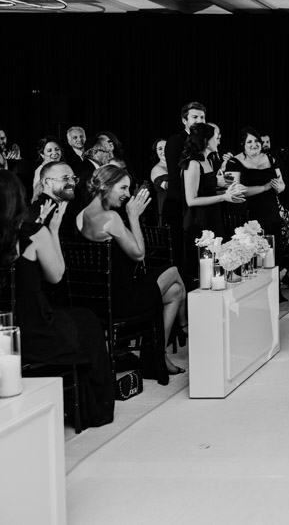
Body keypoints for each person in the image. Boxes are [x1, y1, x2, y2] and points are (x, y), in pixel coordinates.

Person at [0, 170, 115, 429]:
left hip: (5, 336)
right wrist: (51, 230)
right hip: (35, 332)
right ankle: (94, 408)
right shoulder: (33, 233)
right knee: (87, 321)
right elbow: (56, 276)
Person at [77, 165, 188, 380]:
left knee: (174, 291)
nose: (128, 195)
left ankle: (161, 354)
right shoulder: (111, 217)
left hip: (98, 299)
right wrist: (133, 216)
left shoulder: (81, 215)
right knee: (173, 272)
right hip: (121, 300)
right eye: (123, 188)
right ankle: (183, 329)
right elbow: (139, 255)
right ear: (106, 186)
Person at [224, 127, 289, 289]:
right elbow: (233, 190)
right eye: (249, 142)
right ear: (242, 144)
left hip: (271, 212)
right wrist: (264, 187)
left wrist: (279, 188)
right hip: (247, 214)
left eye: (256, 141)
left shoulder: (271, 159)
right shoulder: (233, 162)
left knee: (274, 253)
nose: (254, 144)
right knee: (255, 254)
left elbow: (281, 184)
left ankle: (274, 291)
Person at [181, 124, 244, 279]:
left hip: (213, 217)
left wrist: (230, 192)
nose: (219, 142)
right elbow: (191, 200)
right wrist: (223, 197)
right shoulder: (192, 164)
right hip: (199, 222)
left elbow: (208, 190)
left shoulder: (207, 161)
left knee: (218, 264)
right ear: (206, 141)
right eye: (216, 138)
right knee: (204, 270)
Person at [164, 102, 207, 275]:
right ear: (184, 120)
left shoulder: (205, 141)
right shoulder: (175, 142)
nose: (199, 120)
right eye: (194, 117)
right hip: (178, 204)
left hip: (198, 205)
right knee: (183, 256)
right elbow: (175, 178)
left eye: (202, 117)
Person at [29, 161, 79, 238]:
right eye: (65, 178)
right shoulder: (45, 212)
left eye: (74, 178)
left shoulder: (62, 208)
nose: (72, 183)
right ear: (46, 183)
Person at [149, 138, 169, 225]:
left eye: (166, 147)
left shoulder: (176, 165)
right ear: (156, 152)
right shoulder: (157, 169)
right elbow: (169, 186)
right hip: (166, 208)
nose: (163, 151)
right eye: (160, 149)